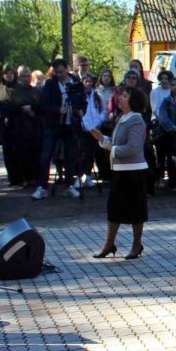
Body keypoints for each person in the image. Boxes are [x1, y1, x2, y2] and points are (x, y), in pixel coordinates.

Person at [91, 88, 149, 259]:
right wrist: (102, 139)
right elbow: (117, 144)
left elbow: (133, 147)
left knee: (136, 209)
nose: (120, 98)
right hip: (120, 171)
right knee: (114, 208)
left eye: (125, 96)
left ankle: (137, 245)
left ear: (134, 101)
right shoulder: (123, 118)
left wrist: (112, 149)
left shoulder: (137, 120)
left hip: (134, 171)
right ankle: (109, 244)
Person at [33, 58, 84, 200]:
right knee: (46, 155)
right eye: (56, 72)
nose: (59, 74)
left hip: (70, 125)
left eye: (61, 72)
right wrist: (57, 110)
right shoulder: (50, 84)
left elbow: (82, 100)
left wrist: (79, 110)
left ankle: (69, 185)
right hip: (53, 125)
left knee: (71, 155)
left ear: (67, 69)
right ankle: (42, 186)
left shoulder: (75, 82)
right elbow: (42, 105)